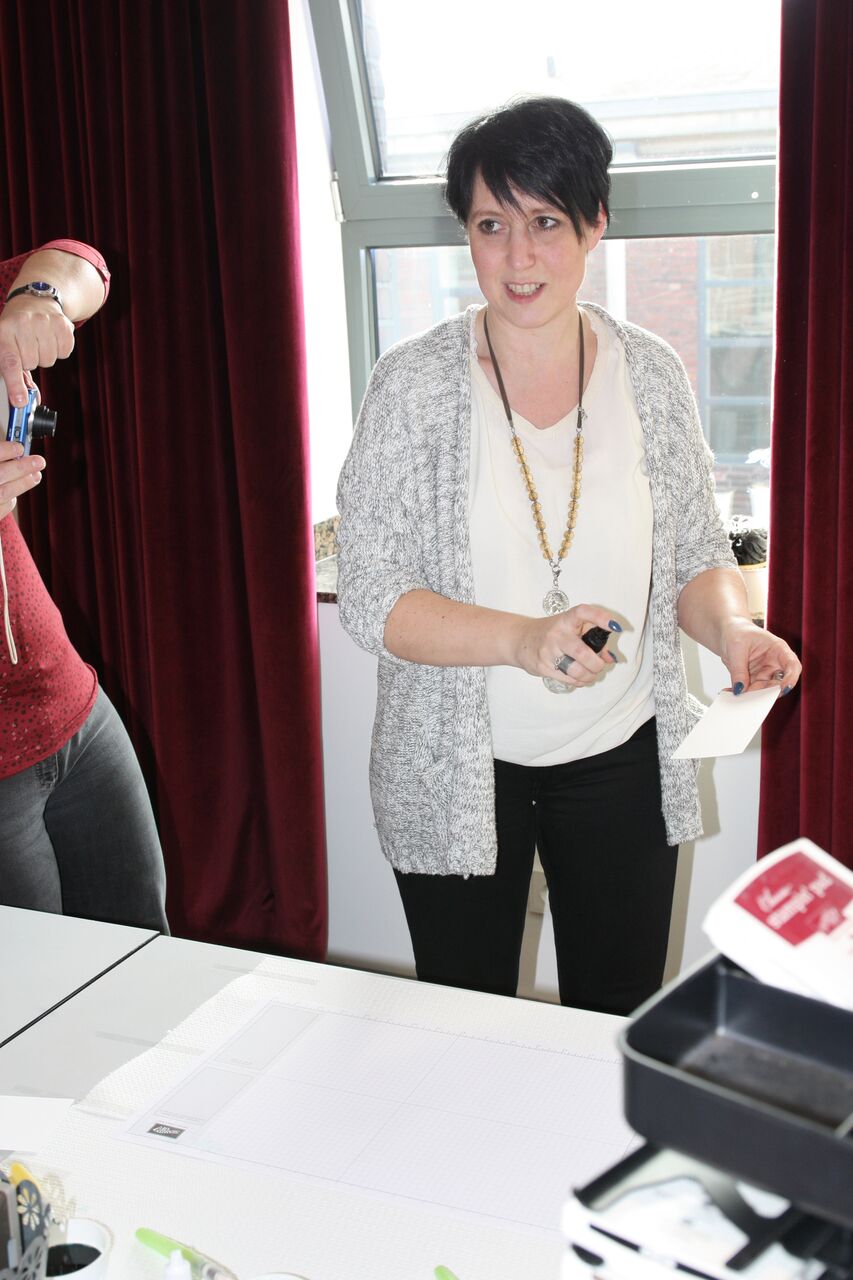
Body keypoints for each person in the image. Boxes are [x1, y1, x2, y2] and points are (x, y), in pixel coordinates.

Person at [336, 97, 801, 1016]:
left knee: (615, 1015)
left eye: (545, 222)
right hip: (456, 769)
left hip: (620, 758)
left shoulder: (650, 371)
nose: (518, 257)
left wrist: (732, 632)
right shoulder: (412, 385)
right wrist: (521, 639)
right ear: (466, 234)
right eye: (490, 225)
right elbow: (371, 595)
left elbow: (693, 553)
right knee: (465, 1022)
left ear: (594, 224)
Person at [0, 239, 168, 931]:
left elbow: (81, 262)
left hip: (73, 708)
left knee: (144, 952)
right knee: (37, 989)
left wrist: (35, 298)